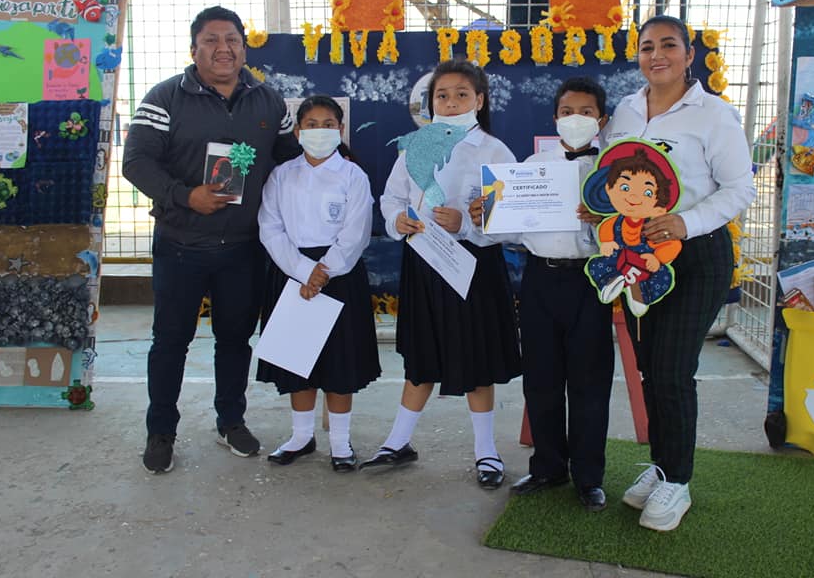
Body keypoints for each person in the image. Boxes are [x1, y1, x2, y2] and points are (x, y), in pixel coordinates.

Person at [122, 6, 300, 474]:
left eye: (232, 40)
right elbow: (136, 163)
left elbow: (289, 162)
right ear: (194, 49)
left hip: (243, 248)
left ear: (244, 48)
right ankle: (161, 430)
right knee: (170, 342)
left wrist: (337, 171)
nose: (224, 49)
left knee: (235, 341)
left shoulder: (269, 101)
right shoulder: (164, 98)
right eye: (211, 40)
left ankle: (231, 421)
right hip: (180, 245)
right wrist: (186, 197)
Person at [599, 15, 755, 531]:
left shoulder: (714, 115)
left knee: (672, 369)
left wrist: (686, 223)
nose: (657, 55)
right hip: (639, 260)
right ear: (638, 56)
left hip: (696, 257)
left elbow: (740, 189)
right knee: (650, 368)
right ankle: (662, 465)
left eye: (669, 45)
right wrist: (597, 209)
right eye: (647, 47)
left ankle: (677, 482)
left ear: (690, 55)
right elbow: (611, 175)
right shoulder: (626, 110)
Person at [362, 59, 522, 489]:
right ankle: (398, 441)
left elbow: (510, 222)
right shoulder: (415, 146)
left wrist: (465, 225)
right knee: (422, 355)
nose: (451, 103)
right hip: (424, 263)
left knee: (476, 359)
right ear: (430, 103)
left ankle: (486, 451)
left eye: (461, 95)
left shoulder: (495, 152)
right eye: (442, 95)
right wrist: (397, 220)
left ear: (480, 100)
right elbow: (391, 197)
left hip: (473, 268)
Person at [469, 77, 616, 511]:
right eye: (567, 112)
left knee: (590, 383)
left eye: (586, 112)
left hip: (590, 281)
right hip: (539, 280)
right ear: (555, 118)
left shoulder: (611, 172)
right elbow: (514, 231)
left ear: (602, 120)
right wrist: (487, 216)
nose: (576, 119)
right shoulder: (533, 165)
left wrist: (603, 219)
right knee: (541, 380)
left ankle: (588, 476)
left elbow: (629, 231)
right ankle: (548, 467)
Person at [255, 95, 380, 472]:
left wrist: (324, 270)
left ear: (340, 130)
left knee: (340, 363)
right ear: (298, 132)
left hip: (339, 275)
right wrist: (302, 270)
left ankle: (340, 443)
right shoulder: (281, 175)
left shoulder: (353, 176)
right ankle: (300, 436)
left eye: (328, 125)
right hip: (292, 273)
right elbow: (270, 227)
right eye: (312, 124)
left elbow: (356, 232)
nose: (320, 131)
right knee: (297, 361)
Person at [583, 140, 683, 315]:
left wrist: (657, 258)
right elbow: (606, 230)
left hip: (645, 265)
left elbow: (672, 244)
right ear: (608, 189)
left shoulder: (654, 225)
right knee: (597, 265)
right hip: (618, 262)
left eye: (647, 192)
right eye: (625, 187)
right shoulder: (614, 222)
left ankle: (639, 295)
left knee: (662, 277)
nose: (634, 197)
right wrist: (607, 243)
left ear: (658, 200)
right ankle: (611, 283)